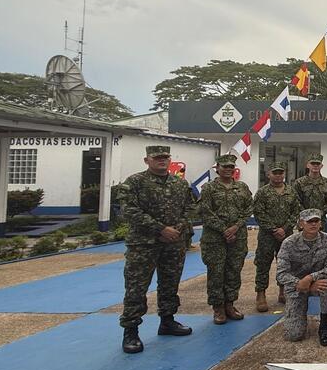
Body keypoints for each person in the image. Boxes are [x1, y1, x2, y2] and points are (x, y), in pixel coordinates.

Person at [117, 145, 194, 354]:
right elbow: (129, 210)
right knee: (136, 287)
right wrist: (161, 229)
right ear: (147, 160)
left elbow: (190, 208)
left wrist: (178, 228)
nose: (162, 160)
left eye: (165, 157)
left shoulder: (180, 183)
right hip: (144, 244)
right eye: (157, 157)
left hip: (174, 243)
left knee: (170, 283)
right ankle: (131, 331)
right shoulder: (135, 182)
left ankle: (167, 321)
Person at [199, 153, 253, 325]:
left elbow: (248, 208)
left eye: (231, 167)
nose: (229, 169)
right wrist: (224, 230)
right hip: (215, 238)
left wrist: (236, 227)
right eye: (225, 167)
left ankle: (230, 305)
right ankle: (218, 308)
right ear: (217, 169)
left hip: (237, 237)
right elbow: (206, 212)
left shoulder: (242, 187)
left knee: (233, 271)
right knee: (216, 273)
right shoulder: (209, 188)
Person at [276, 208, 327, 346]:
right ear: (301, 224)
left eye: (316, 221)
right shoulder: (289, 243)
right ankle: (296, 317)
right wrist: (300, 283)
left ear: (321, 223)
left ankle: (324, 327)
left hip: (317, 283)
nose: (313, 224)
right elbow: (281, 274)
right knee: (294, 335)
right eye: (309, 221)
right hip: (296, 287)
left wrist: (310, 278)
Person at [252, 162, 301, 312]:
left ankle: (283, 291)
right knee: (263, 264)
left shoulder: (291, 192)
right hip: (267, 235)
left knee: (285, 264)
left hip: (286, 236)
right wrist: (274, 229)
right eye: (275, 173)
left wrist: (285, 228)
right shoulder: (262, 192)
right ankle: (261, 294)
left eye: (281, 173)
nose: (278, 175)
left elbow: (295, 211)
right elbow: (259, 213)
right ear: (269, 174)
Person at [292, 154, 327, 239]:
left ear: (321, 166)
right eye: (313, 163)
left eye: (317, 164)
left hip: (320, 220)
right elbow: (296, 201)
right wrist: (306, 214)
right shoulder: (299, 182)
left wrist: (320, 212)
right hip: (305, 221)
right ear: (308, 165)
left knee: (322, 244)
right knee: (304, 244)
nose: (315, 166)